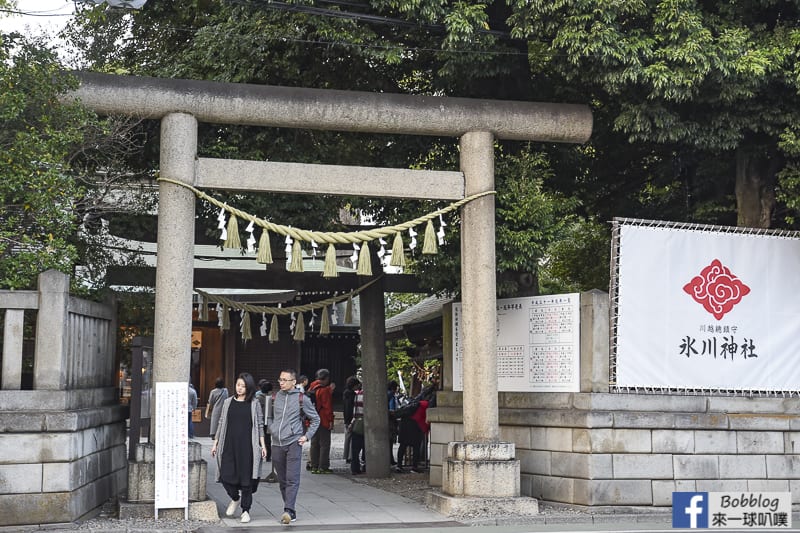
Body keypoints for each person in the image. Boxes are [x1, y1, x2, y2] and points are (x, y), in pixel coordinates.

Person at [211, 373, 267, 524]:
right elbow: (221, 423)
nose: (240, 388)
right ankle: (235, 498)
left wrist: (262, 445)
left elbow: (260, 425)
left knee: (246, 480)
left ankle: (246, 511)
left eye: (243, 386)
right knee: (225, 476)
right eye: (238, 385)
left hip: (247, 447)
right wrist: (215, 442)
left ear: (248, 387)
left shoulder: (254, 404)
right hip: (229, 445)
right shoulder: (228, 402)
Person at [268, 368, 320, 524]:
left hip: (293, 442)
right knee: (283, 479)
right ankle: (290, 508)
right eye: (280, 379)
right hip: (277, 442)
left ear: (294, 382)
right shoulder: (275, 397)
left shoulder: (302, 399)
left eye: (285, 380)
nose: (281, 382)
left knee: (292, 478)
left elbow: (315, 419)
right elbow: (269, 417)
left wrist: (306, 436)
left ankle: (288, 510)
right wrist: (272, 428)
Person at [308, 368, 335, 474]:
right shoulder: (324, 390)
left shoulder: (312, 387)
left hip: (312, 419)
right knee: (324, 444)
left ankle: (314, 465)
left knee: (314, 443)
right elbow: (327, 407)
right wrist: (331, 420)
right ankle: (323, 466)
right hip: (323, 419)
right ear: (327, 378)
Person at [395, 397, 429, 474]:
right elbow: (423, 420)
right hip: (415, 427)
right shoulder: (425, 406)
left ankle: (399, 465)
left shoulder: (413, 405)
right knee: (416, 447)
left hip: (404, 426)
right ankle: (414, 467)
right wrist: (425, 430)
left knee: (402, 446)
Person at [342, 376, 360, 465]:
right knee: (352, 438)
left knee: (347, 437)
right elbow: (351, 408)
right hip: (351, 418)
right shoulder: (352, 395)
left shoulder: (345, 393)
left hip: (346, 417)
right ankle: (350, 456)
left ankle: (346, 455)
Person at [349, 382, 365, 475]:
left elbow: (355, 411)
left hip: (357, 421)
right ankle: (365, 466)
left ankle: (354, 467)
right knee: (365, 447)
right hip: (367, 422)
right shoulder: (371, 396)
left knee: (355, 448)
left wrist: (352, 422)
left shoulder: (358, 394)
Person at [255, 379, 273, 461]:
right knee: (268, 439)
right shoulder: (270, 398)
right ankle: (268, 456)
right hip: (268, 421)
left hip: (260, 421)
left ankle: (260, 455)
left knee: (260, 439)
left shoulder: (258, 398)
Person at [387, 380, 399, 465]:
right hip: (391, 420)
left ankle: (389, 458)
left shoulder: (386, 393)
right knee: (390, 440)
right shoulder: (391, 395)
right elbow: (392, 408)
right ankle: (390, 459)